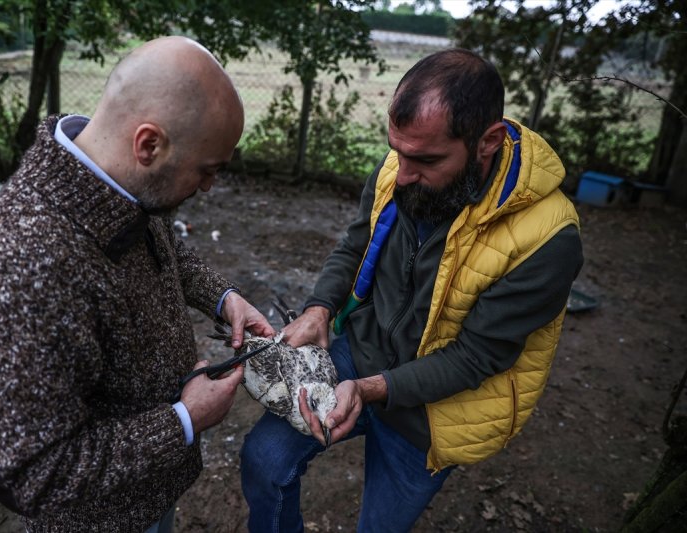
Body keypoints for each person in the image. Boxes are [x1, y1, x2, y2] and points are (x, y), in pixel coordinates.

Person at [240, 48, 583, 532]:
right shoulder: (401, 166)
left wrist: (372, 389)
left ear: (488, 141)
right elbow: (355, 245)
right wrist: (320, 307)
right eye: (397, 150)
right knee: (263, 461)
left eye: (425, 159)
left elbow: (476, 358)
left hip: (436, 415)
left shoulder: (547, 239)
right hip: (359, 355)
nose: (401, 174)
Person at [0, 36, 275, 533]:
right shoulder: (25, 262)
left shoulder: (119, 177)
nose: (209, 187)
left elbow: (165, 252)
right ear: (148, 144)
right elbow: (34, 473)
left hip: (147, 495)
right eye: (207, 170)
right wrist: (183, 421)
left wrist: (223, 298)